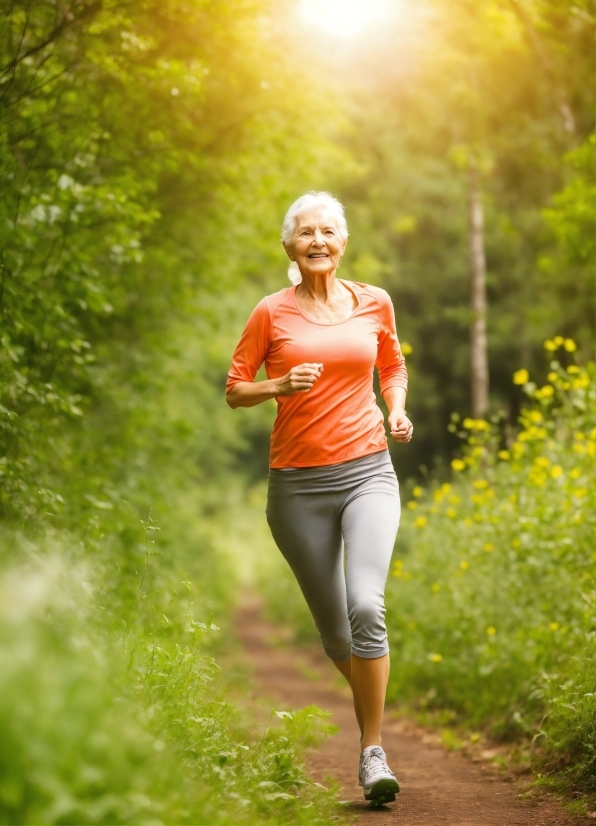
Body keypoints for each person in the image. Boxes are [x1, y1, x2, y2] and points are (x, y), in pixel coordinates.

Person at [226, 191, 412, 806]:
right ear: (289, 246)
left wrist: (398, 411)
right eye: (305, 233)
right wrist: (277, 384)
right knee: (337, 635)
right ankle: (372, 683)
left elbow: (392, 365)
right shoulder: (270, 314)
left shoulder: (373, 302)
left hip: (368, 472)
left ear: (343, 240)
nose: (317, 241)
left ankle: (372, 750)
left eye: (328, 231)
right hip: (298, 487)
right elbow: (233, 390)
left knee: (366, 604)